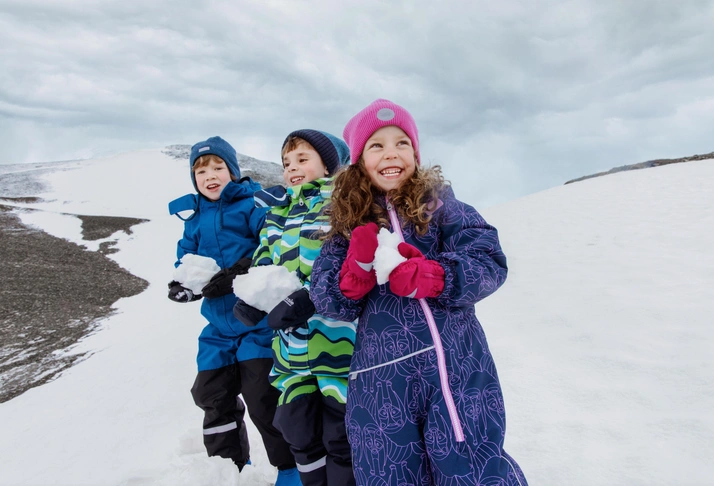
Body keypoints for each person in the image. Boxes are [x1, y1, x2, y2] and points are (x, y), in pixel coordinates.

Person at [309, 100, 529, 485]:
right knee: (389, 474)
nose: (391, 152)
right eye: (376, 146)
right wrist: (356, 272)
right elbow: (328, 300)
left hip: (456, 369)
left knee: (473, 468)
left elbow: (489, 259)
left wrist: (435, 276)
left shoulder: (441, 207)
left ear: (415, 153)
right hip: (381, 382)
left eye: (401, 143)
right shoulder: (347, 225)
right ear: (359, 160)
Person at [167, 136, 301, 485]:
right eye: (200, 170)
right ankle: (229, 469)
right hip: (216, 328)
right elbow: (187, 259)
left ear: (233, 171)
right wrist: (182, 283)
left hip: (254, 322)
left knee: (262, 399)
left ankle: (289, 469)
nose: (209, 175)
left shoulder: (251, 204)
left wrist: (239, 270)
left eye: (217, 167)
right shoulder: (194, 218)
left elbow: (272, 243)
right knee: (211, 395)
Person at [233, 130, 356, 485]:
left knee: (340, 435)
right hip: (291, 353)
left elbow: (350, 265)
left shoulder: (343, 204)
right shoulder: (277, 213)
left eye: (303, 159)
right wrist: (252, 298)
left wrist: (311, 296)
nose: (292, 168)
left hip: (338, 349)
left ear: (329, 165)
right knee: (297, 429)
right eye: (287, 163)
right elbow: (264, 263)